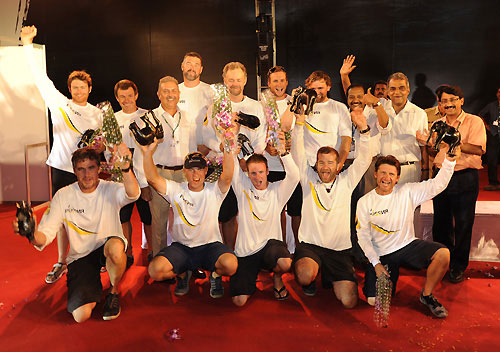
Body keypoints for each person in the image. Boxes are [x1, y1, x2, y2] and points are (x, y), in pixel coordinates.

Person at [13, 145, 140, 322]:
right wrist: (30, 234)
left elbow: (133, 194)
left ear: (99, 169)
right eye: (81, 169)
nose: (87, 174)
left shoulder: (110, 189)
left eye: (91, 168)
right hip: (81, 255)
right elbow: (45, 235)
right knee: (81, 316)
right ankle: (84, 285)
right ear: (74, 171)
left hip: (107, 246)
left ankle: (113, 292)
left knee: (116, 247)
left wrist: (126, 168)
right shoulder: (63, 195)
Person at [21, 25, 103, 284]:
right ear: (70, 89)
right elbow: (39, 77)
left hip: (89, 171)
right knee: (62, 217)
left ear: (90, 89)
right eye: (75, 87)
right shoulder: (59, 105)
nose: (79, 91)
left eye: (83, 87)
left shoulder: (98, 114)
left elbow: (104, 146)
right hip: (61, 168)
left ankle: (92, 257)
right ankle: (61, 261)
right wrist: (27, 43)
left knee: (91, 213)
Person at [356, 149, 460, 318]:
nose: (386, 177)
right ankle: (388, 275)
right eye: (382, 172)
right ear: (375, 174)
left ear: (397, 178)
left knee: (443, 254)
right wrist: (376, 264)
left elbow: (437, 185)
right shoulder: (365, 202)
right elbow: (363, 236)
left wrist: (449, 162)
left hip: (407, 245)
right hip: (382, 253)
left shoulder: (407, 191)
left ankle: (427, 295)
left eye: (391, 174)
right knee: (374, 301)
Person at [291, 105, 372, 308]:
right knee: (304, 276)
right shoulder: (307, 178)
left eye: (330, 163)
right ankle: (311, 278)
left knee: (349, 302)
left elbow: (364, 160)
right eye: (321, 162)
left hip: (339, 250)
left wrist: (364, 131)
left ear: (338, 165)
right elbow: (297, 153)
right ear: (316, 164)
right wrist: (299, 124)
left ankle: (328, 274)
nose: (325, 167)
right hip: (311, 245)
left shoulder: (347, 180)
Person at [142, 137, 238, 298]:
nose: (196, 174)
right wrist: (146, 153)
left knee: (231, 265)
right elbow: (152, 178)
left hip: (210, 247)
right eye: (191, 169)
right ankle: (182, 273)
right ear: (184, 172)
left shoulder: (214, 190)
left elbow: (227, 176)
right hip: (182, 248)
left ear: (205, 171)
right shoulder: (175, 189)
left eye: (200, 169)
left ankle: (215, 276)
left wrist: (228, 148)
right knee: (155, 271)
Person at [421, 85, 486, 283]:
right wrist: (430, 145)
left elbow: (479, 149)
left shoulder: (474, 121)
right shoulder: (437, 123)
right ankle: (442, 261)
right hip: (441, 176)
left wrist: (452, 141)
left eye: (452, 100)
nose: (448, 104)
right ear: (439, 105)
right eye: (444, 101)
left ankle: (458, 266)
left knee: (464, 224)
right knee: (440, 222)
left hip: (465, 176)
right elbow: (433, 153)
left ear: (461, 101)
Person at [202, 62, 267, 249]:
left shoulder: (255, 106)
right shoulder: (215, 107)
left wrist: (249, 161)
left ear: (245, 80)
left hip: (249, 169)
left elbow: (261, 138)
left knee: (250, 214)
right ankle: (227, 252)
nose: (235, 83)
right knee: (226, 215)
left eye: (238, 79)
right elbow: (206, 136)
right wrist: (221, 147)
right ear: (224, 81)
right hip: (225, 168)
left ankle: (251, 251)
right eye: (231, 80)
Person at [230, 135, 299, 306]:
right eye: (253, 173)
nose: (257, 177)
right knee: (238, 301)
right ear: (247, 173)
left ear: (267, 171)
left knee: (285, 262)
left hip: (270, 248)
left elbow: (295, 176)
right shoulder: (242, 186)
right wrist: (232, 151)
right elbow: (231, 168)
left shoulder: (277, 190)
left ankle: (276, 278)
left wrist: (283, 152)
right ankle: (250, 279)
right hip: (246, 252)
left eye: (261, 172)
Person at [146, 76, 196, 256]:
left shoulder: (188, 117)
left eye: (173, 91)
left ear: (179, 93)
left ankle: (188, 259)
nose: (170, 95)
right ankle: (160, 259)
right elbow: (141, 154)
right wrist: (145, 183)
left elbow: (193, 147)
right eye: (165, 91)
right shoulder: (150, 118)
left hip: (184, 174)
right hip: (160, 174)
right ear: (158, 94)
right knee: (159, 222)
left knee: (186, 220)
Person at [114, 79, 153, 265]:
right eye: (122, 97)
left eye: (130, 95)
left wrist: (145, 181)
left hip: (144, 175)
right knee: (123, 216)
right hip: (122, 177)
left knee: (148, 216)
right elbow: (109, 150)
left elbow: (151, 150)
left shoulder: (148, 116)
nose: (126, 100)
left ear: (136, 95)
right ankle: (127, 251)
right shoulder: (112, 120)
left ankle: (152, 250)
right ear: (117, 98)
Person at [282, 70, 352, 173]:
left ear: (328, 87)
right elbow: (284, 127)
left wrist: (340, 163)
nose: (317, 92)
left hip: (330, 166)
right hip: (305, 166)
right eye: (313, 89)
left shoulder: (339, 107)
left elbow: (346, 139)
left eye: (320, 88)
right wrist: (293, 100)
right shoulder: (301, 106)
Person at [263, 66, 302, 246]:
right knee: (276, 209)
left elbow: (301, 129)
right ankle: (280, 246)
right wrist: (267, 147)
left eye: (282, 80)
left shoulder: (295, 102)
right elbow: (258, 132)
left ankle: (298, 246)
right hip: (272, 166)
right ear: (268, 83)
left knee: (296, 210)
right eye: (275, 81)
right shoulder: (262, 103)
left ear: (287, 82)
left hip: (293, 165)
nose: (279, 84)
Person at [177, 52, 212, 152]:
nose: (192, 67)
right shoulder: (174, 91)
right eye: (188, 63)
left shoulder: (211, 92)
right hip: (179, 151)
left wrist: (208, 146)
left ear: (201, 69)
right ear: (182, 66)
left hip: (205, 152)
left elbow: (218, 121)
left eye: (196, 65)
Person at [478, 87, 500, 191]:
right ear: (497, 94)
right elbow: (480, 115)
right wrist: (487, 127)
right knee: (492, 160)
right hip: (494, 135)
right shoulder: (491, 105)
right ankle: (493, 183)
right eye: (499, 92)